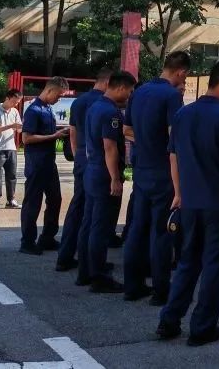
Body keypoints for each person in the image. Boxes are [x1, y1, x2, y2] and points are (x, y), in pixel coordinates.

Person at [156, 59, 219, 347]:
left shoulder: (183, 115)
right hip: (218, 205)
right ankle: (202, 327)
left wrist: (179, 192)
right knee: (214, 267)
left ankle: (169, 320)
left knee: (187, 263)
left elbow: (173, 157)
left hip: (190, 203)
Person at [122, 51, 191, 304]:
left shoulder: (139, 91)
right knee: (162, 231)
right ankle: (161, 290)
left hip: (141, 170)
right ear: (181, 71)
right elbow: (176, 140)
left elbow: (127, 129)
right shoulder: (172, 96)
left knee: (137, 228)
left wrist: (146, 143)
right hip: (163, 172)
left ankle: (132, 286)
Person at [76, 70, 137, 292]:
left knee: (89, 224)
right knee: (101, 228)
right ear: (120, 88)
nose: (129, 96)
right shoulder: (110, 112)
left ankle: (85, 272)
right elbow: (110, 147)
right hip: (104, 174)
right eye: (129, 92)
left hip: (92, 171)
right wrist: (115, 178)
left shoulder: (94, 107)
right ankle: (99, 277)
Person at [56, 69, 111, 272]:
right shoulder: (104, 103)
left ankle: (65, 256)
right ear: (107, 83)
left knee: (78, 207)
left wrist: (79, 153)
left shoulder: (78, 102)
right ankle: (92, 263)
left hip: (81, 157)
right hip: (97, 160)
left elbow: (72, 132)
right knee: (95, 214)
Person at [18, 77, 70, 255]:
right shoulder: (34, 110)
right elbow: (27, 138)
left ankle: (47, 238)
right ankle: (27, 242)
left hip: (49, 163)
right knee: (33, 202)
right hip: (36, 164)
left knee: (55, 199)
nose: (59, 99)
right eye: (59, 95)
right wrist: (55, 136)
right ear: (49, 90)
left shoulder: (48, 109)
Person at [0, 89, 23, 211]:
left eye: (18, 102)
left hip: (11, 148)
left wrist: (21, 128)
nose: (16, 104)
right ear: (7, 98)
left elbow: (19, 129)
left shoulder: (15, 112)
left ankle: (11, 200)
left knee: (12, 175)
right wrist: (12, 126)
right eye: (14, 101)